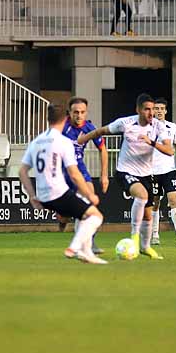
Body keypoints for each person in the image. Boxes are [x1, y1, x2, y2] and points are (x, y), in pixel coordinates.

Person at [76, 93, 174, 259]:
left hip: (146, 174)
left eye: (152, 109)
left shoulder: (158, 126)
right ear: (138, 110)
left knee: (148, 214)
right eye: (147, 109)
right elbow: (101, 130)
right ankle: (134, 238)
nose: (151, 113)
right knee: (142, 196)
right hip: (125, 171)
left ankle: (145, 247)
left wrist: (151, 142)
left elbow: (169, 150)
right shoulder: (126, 123)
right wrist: (84, 138)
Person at [20, 104, 107, 264]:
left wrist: (32, 196)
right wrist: (90, 194)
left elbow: (22, 172)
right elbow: (74, 174)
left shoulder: (36, 141)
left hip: (43, 197)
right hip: (59, 193)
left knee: (84, 212)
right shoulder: (63, 141)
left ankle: (86, 252)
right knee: (96, 216)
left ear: (48, 119)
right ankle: (74, 247)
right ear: (66, 118)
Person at [60, 96, 109, 254]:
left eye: (82, 112)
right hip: (62, 169)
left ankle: (89, 242)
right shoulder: (61, 127)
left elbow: (103, 149)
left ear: (86, 113)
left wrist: (104, 175)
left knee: (89, 199)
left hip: (79, 168)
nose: (79, 115)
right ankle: (63, 218)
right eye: (76, 112)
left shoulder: (89, 128)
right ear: (70, 113)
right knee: (64, 215)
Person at [149, 98, 176, 246]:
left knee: (173, 200)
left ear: (165, 111)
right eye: (156, 108)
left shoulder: (172, 127)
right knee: (155, 203)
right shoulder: (149, 127)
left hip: (169, 170)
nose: (158, 111)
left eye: (161, 108)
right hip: (153, 171)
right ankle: (155, 235)